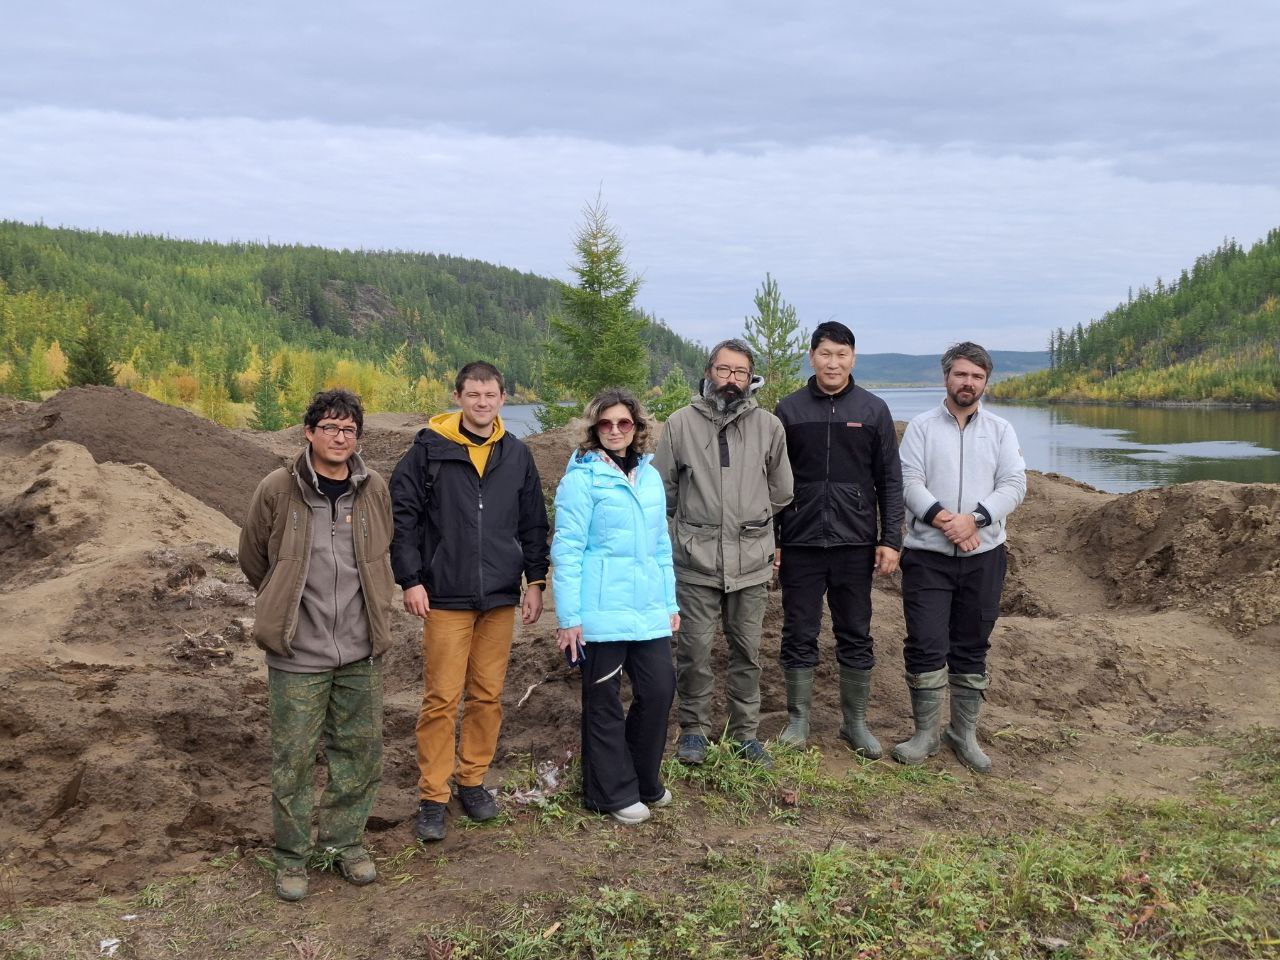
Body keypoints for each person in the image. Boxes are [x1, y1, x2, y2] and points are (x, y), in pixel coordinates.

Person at [239, 388, 396, 902]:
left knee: (360, 752)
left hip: (359, 648)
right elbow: (253, 558)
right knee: (294, 758)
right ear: (309, 433)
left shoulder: (373, 489)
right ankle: (291, 856)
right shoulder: (277, 489)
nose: (340, 437)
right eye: (330, 427)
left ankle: (346, 843)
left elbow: (381, 554)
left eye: (349, 429)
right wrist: (282, 602)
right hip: (297, 653)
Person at [390, 361, 549, 841]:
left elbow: (533, 522)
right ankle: (433, 795)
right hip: (445, 596)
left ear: (503, 398)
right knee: (441, 698)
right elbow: (403, 521)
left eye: (491, 395)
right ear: (458, 396)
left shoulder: (516, 455)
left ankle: (473, 780)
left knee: (486, 695)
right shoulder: (426, 454)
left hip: (500, 596)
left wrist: (536, 581)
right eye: (473, 394)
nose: (482, 402)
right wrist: (410, 580)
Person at [654, 339, 793, 767]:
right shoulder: (679, 424)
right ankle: (694, 730)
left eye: (740, 372)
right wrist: (691, 529)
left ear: (752, 378)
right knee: (694, 650)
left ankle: (744, 733)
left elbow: (783, 490)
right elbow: (664, 490)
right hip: (695, 560)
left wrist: (748, 519)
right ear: (709, 372)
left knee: (747, 652)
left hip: (751, 562)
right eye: (724, 370)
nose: (732, 380)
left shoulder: (769, 426)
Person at [892, 342, 1026, 773]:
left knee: (972, 644)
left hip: (984, 556)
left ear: (986, 382)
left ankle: (962, 732)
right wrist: (947, 520)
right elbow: (908, 481)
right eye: (961, 374)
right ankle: (925, 733)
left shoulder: (1001, 430)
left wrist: (976, 520)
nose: (968, 383)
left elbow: (1013, 484)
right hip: (927, 556)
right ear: (946, 377)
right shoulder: (921, 428)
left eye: (977, 376)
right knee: (926, 642)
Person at [774, 321, 903, 756]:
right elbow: (773, 480)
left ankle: (856, 723)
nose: (833, 362)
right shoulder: (788, 411)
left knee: (855, 631)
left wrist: (891, 539)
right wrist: (774, 536)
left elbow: (890, 480)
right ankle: (797, 722)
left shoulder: (873, 410)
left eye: (842, 354)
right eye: (825, 353)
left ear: (853, 358)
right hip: (800, 541)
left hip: (856, 543)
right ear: (811, 357)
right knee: (798, 631)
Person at [552, 389, 680, 824]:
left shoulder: (649, 477)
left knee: (660, 690)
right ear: (593, 429)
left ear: (637, 428)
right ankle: (609, 792)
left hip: (647, 610)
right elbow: (566, 550)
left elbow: (661, 546)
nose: (614, 431)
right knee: (604, 702)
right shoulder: (580, 480)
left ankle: (643, 780)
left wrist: (670, 601)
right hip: (600, 614)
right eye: (605, 424)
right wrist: (569, 619)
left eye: (623, 423)